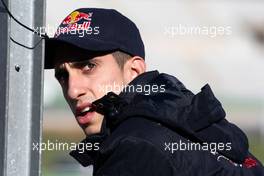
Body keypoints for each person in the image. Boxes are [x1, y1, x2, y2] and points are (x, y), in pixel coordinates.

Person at [45, 8, 264, 176]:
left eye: (88, 66)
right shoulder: (180, 123)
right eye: (63, 76)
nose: (73, 91)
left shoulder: (135, 147)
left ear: (134, 70)